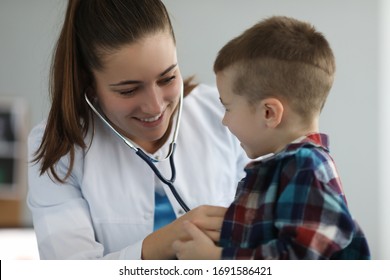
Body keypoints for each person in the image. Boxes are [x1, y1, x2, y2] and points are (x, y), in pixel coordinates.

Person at [27, 0, 248, 260]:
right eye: (129, 90)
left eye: (167, 78)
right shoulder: (59, 146)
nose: (155, 106)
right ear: (90, 85)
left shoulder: (228, 113)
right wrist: (165, 242)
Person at [172, 15, 371, 260]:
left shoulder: (306, 167)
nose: (224, 120)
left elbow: (301, 259)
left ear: (269, 113)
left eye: (228, 107)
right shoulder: (287, 168)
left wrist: (216, 259)